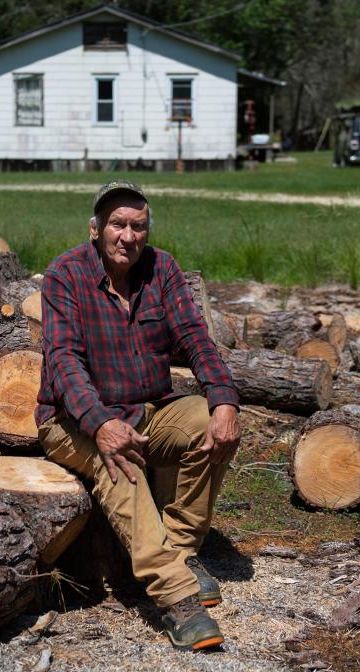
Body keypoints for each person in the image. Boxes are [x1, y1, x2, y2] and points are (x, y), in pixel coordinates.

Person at [35, 179, 241, 651]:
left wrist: (224, 399)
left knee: (206, 422)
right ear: (95, 229)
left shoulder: (162, 269)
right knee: (120, 461)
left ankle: (181, 550)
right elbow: (63, 361)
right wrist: (101, 423)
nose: (127, 236)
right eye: (117, 224)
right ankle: (176, 598)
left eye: (138, 226)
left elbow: (194, 338)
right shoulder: (65, 274)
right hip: (71, 420)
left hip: (145, 410)